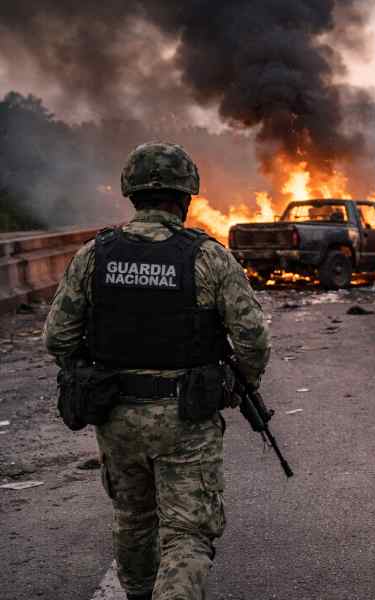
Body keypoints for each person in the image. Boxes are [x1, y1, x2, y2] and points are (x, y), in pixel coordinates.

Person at [43, 142, 271, 600]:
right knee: (188, 533)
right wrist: (236, 385)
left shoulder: (95, 255)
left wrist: (92, 374)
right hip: (186, 416)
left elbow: (58, 337)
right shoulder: (208, 256)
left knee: (133, 519)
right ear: (186, 197)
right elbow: (252, 339)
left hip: (116, 415)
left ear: (131, 193)